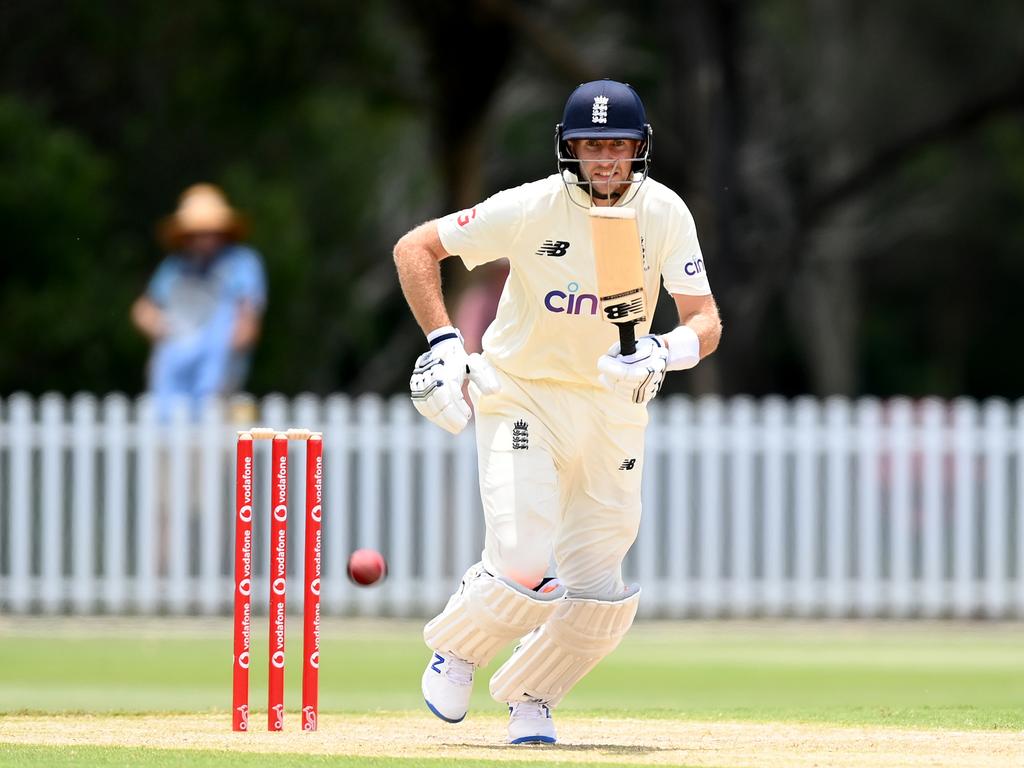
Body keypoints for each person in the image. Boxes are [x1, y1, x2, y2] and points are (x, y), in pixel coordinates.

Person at [393, 79, 722, 745]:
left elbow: (705, 319)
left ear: (640, 149)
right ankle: (456, 650)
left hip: (614, 407)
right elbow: (415, 249)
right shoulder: (531, 207)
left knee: (600, 592)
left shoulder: (664, 213)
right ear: (568, 149)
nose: (604, 160)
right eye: (590, 145)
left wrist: (662, 350)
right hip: (524, 394)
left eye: (617, 146)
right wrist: (445, 343)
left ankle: (531, 697)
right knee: (522, 561)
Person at [131, 183, 266, 420]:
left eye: (209, 231)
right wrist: (168, 333)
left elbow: (248, 319)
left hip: (220, 378)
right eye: (197, 233)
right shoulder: (175, 267)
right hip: (173, 376)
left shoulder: (242, 264)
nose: (204, 239)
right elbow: (144, 309)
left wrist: (222, 344)